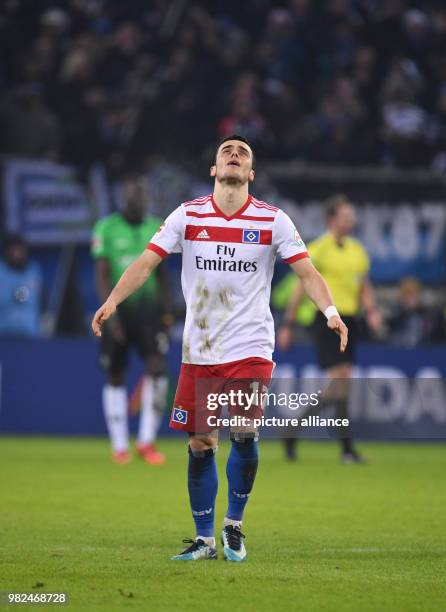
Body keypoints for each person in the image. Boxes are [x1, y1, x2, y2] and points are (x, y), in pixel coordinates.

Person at [92, 135, 348, 562]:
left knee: (244, 432)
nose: (233, 155)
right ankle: (204, 539)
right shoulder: (188, 215)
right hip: (200, 349)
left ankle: (234, 527)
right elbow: (146, 262)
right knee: (201, 444)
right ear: (214, 169)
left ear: (251, 173)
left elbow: (307, 273)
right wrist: (113, 301)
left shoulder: (273, 220)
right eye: (226, 152)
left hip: (250, 346)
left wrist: (331, 311)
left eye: (242, 154)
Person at [278, 194, 382, 463]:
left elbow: (364, 285)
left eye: (352, 217)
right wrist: (287, 324)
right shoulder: (318, 248)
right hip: (326, 319)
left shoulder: (358, 251)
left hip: (351, 319)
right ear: (331, 219)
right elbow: (301, 286)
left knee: (342, 384)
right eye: (346, 216)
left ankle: (294, 431)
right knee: (341, 380)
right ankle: (345, 448)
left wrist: (371, 311)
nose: (351, 221)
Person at [91, 174, 172, 465]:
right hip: (119, 312)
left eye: (141, 195)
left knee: (158, 369)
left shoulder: (156, 226)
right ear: (123, 199)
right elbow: (101, 274)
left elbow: (162, 274)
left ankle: (147, 442)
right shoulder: (107, 228)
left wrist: (167, 311)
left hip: (149, 314)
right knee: (115, 373)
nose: (137, 200)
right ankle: (120, 444)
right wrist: (109, 314)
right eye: (132, 195)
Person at [0, 235, 43, 337]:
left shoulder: (33, 270)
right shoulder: (1, 271)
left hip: (29, 332)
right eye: (14, 251)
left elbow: (39, 299)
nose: (18, 254)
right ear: (7, 252)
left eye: (20, 250)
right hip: (4, 333)